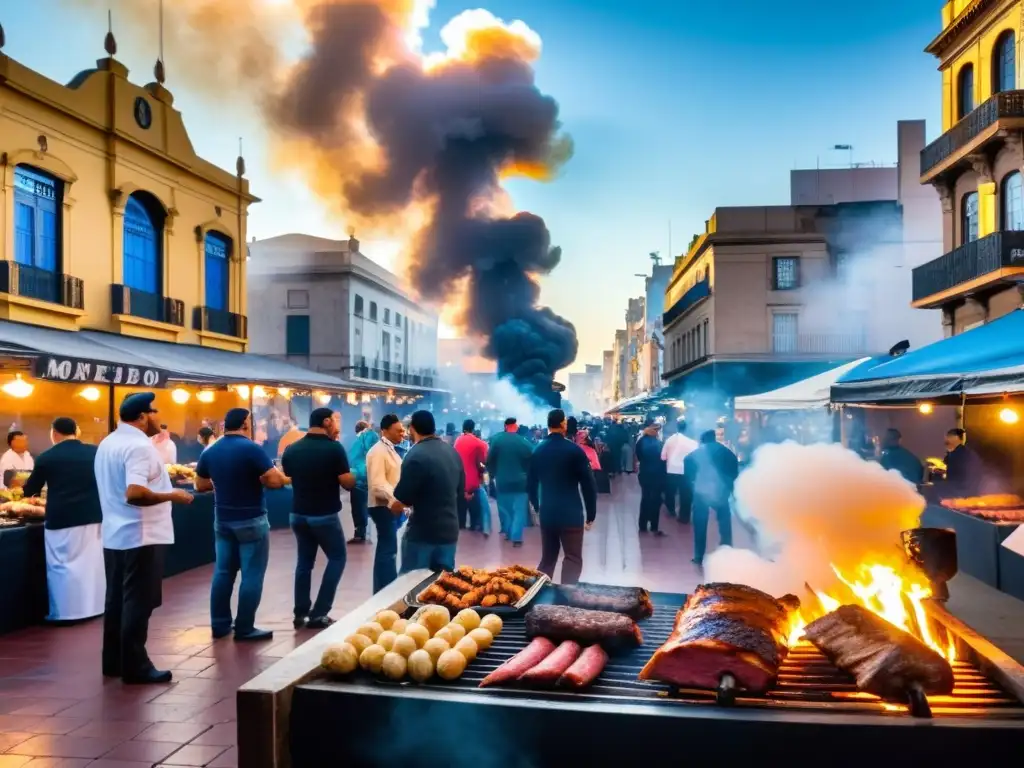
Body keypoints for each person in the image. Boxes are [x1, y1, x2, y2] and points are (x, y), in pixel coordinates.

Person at [95, 392, 193, 684]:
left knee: (116, 600)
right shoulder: (139, 447)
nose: (159, 419)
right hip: (141, 533)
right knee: (139, 600)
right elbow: (134, 493)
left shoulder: (108, 443)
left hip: (115, 533)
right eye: (155, 413)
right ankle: (136, 665)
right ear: (142, 417)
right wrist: (172, 495)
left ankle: (113, 660)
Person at [195, 408, 288, 641]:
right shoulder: (251, 449)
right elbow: (275, 480)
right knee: (252, 574)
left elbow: (200, 485)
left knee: (223, 572)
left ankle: (219, 624)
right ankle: (245, 627)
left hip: (223, 519)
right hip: (251, 519)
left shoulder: (211, 450)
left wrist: (223, 484)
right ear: (246, 423)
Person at [23, 417, 104, 622]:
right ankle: (94, 607)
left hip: (63, 517)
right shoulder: (95, 452)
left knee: (62, 565)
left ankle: (66, 612)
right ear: (75, 432)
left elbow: (31, 489)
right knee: (92, 564)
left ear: (54, 432)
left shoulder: (47, 457)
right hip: (94, 515)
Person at [282, 407, 356, 628]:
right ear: (326, 422)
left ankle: (300, 612)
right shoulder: (334, 449)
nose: (336, 425)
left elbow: (288, 475)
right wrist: (354, 476)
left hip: (298, 514)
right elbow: (347, 482)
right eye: (334, 421)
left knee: (304, 563)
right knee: (337, 558)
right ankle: (319, 612)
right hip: (324, 514)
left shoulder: (292, 449)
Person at [528, 409, 598, 585]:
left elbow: (530, 483)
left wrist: (537, 507)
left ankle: (538, 594)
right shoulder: (574, 451)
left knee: (548, 559)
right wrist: (591, 514)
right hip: (571, 513)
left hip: (548, 512)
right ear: (563, 425)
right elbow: (589, 485)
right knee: (572, 557)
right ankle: (566, 597)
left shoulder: (538, 450)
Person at [392, 410, 463, 573]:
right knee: (443, 585)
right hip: (450, 531)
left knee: (410, 585)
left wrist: (392, 508)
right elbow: (460, 490)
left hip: (422, 533)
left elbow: (404, 499)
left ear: (412, 429)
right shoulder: (452, 452)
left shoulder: (415, 455)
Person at [366, 414, 406, 592]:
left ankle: (382, 589)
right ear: (385, 430)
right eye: (398, 431)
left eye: (403, 431)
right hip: (382, 506)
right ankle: (386, 590)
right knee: (388, 550)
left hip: (389, 505)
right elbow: (377, 484)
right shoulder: (378, 452)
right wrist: (395, 499)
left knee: (388, 548)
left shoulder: (390, 450)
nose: (402, 434)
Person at [687, 430, 739, 566]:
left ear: (703, 440)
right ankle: (727, 550)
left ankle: (699, 556)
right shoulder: (725, 451)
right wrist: (728, 482)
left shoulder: (698, 452)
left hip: (701, 492)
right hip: (721, 491)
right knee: (724, 523)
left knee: (700, 524)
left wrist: (692, 481)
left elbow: (687, 461)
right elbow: (734, 467)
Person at [487, 416, 534, 546]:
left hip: (502, 480)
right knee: (519, 510)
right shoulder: (523, 441)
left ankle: (507, 532)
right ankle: (517, 537)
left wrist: (492, 474)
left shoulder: (497, 440)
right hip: (521, 481)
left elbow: (489, 459)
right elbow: (533, 456)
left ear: (505, 426)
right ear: (515, 426)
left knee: (505, 508)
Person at [454, 418, 490, 536]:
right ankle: (479, 526)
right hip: (473, 480)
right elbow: (482, 462)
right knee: (479, 506)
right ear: (473, 428)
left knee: (461, 506)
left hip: (459, 480)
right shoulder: (479, 443)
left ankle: (462, 524)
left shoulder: (458, 441)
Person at [346, 421, 378, 545]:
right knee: (369, 506)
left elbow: (352, 460)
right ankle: (367, 533)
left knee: (359, 507)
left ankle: (360, 533)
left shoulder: (358, 441)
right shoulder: (375, 438)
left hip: (359, 478)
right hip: (371, 477)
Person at [661, 419, 698, 524]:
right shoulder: (692, 442)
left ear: (677, 427)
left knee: (670, 492)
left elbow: (663, 457)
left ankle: (671, 510)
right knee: (686, 494)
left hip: (671, 470)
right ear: (687, 428)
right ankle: (684, 517)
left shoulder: (670, 440)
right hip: (686, 471)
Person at [635, 420, 667, 536]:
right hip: (657, 475)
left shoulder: (641, 441)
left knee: (645, 499)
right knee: (656, 500)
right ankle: (654, 526)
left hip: (644, 474)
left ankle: (642, 526)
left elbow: (639, 456)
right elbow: (663, 459)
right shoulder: (659, 443)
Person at [942, 428, 982, 497]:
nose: (946, 439)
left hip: (960, 492)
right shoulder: (963, 452)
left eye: (949, 437)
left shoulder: (959, 453)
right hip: (963, 491)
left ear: (956, 438)